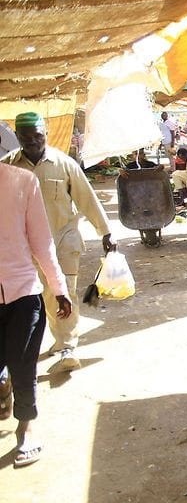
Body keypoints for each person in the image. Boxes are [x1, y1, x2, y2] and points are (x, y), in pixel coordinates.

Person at [3, 112, 115, 372]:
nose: (32, 142)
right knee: (33, 298)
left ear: (46, 134)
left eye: (37, 136)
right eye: (26, 137)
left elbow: (87, 198)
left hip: (62, 241)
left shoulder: (64, 164)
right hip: (22, 249)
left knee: (64, 293)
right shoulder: (8, 167)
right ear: (17, 137)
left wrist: (106, 231)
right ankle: (40, 346)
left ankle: (66, 346)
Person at [0, 161, 73, 467]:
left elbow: (41, 241)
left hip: (22, 292)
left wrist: (59, 288)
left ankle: (26, 425)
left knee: (23, 363)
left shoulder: (22, 181)